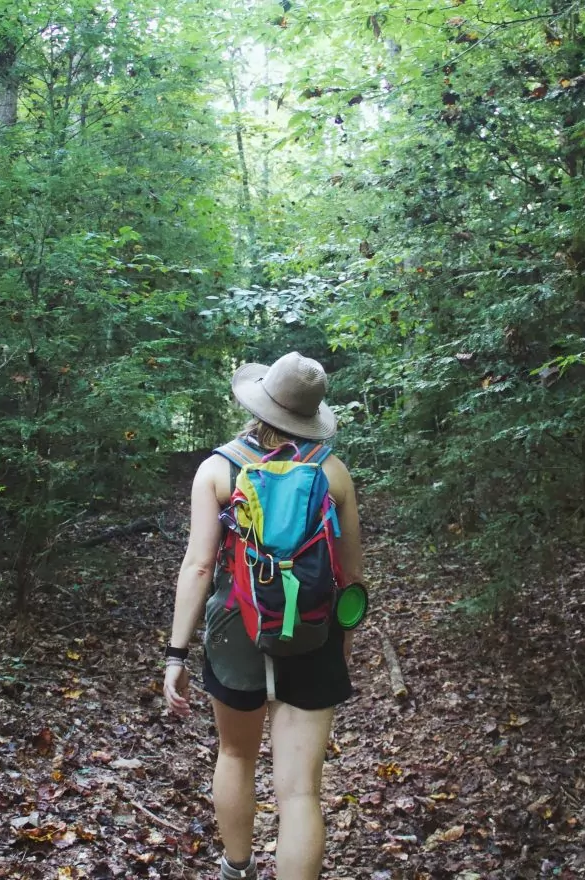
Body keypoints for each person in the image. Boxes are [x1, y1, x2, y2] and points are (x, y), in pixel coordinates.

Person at [163, 352, 364, 880]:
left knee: (235, 756)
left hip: (236, 631)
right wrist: (343, 637)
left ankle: (237, 870)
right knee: (300, 790)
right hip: (314, 630)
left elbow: (200, 564)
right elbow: (352, 577)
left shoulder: (217, 468)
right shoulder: (333, 472)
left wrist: (176, 653)